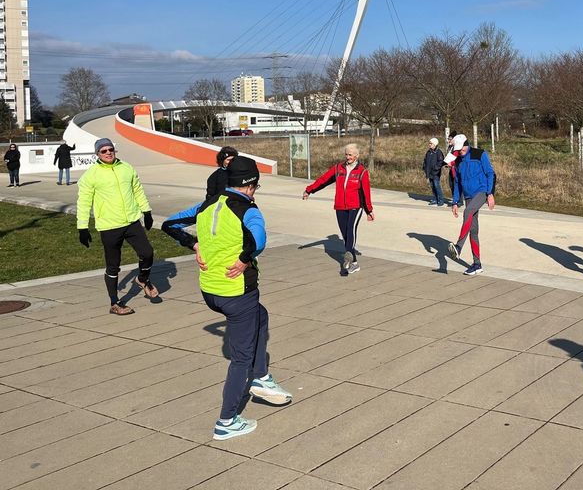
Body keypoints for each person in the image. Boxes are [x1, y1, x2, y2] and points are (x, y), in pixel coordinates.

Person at [161, 156, 292, 441]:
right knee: (240, 359)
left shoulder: (207, 205)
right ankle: (227, 421)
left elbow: (169, 224)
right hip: (237, 292)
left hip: (210, 291)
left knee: (262, 316)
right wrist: (246, 259)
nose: (255, 190)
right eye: (256, 185)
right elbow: (258, 241)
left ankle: (261, 377)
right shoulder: (248, 210)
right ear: (249, 185)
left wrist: (192, 243)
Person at [76, 138, 158, 315]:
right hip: (109, 225)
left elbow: (137, 190)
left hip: (131, 222)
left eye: (110, 149)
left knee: (148, 253)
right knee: (113, 265)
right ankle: (115, 302)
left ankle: (142, 279)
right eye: (103, 151)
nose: (108, 153)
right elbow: (83, 202)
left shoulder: (126, 168)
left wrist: (147, 211)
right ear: (97, 154)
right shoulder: (91, 175)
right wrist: (82, 227)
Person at [302, 142, 374, 275]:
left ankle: (347, 256)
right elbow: (323, 180)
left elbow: (366, 193)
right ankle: (354, 263)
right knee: (345, 235)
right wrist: (309, 190)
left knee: (350, 229)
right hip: (340, 206)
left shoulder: (362, 172)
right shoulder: (338, 168)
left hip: (355, 206)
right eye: (346, 154)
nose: (348, 157)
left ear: (357, 156)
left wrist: (369, 210)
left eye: (350, 155)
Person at [446, 134, 496, 276]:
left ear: (466, 145)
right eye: (457, 151)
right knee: (473, 230)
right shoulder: (457, 160)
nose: (460, 153)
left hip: (481, 192)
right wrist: (455, 201)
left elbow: (490, 174)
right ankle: (477, 264)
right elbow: (457, 183)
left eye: (461, 150)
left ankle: (458, 247)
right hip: (468, 195)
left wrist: (490, 193)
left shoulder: (479, 154)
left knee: (467, 212)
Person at [422, 137, 446, 206]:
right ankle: (435, 199)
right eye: (429, 143)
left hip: (435, 173)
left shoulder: (438, 152)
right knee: (432, 186)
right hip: (429, 172)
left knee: (437, 186)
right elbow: (425, 160)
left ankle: (441, 200)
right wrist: (424, 168)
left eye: (431, 143)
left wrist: (436, 168)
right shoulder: (428, 152)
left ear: (435, 144)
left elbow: (441, 162)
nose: (429, 144)